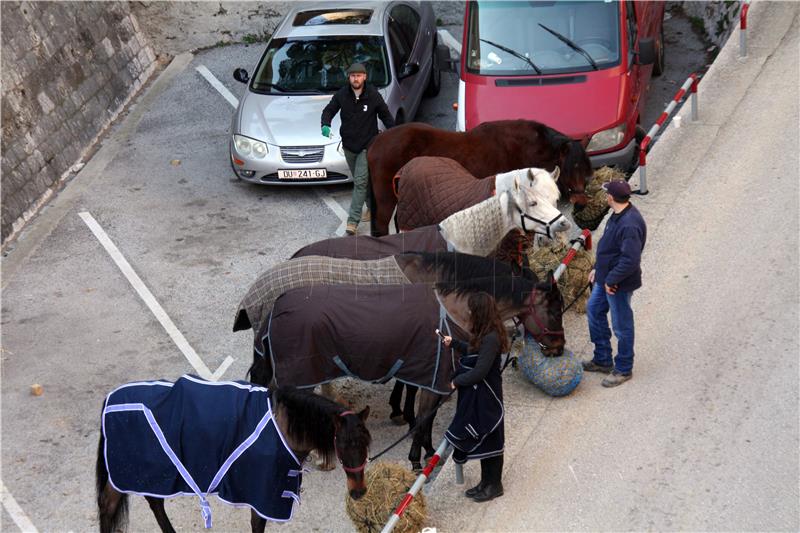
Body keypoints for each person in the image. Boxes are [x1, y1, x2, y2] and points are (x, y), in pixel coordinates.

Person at [441, 292, 509, 502]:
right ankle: (485, 482)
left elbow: (480, 370)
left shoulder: (491, 338)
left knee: (491, 437)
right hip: (482, 395)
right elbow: (472, 350)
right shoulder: (486, 333)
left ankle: (494, 485)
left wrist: (457, 381)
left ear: (480, 312)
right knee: (485, 438)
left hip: (488, 396)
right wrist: (453, 343)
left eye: (472, 310)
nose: (468, 313)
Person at [582, 180, 647, 387]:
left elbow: (630, 260)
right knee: (593, 310)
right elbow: (609, 248)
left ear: (611, 197)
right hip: (606, 278)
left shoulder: (629, 224)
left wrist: (611, 280)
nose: (605, 195)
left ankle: (623, 368)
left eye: (606, 193)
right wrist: (597, 269)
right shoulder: (618, 214)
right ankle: (602, 358)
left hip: (618, 283)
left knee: (622, 325)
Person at [320, 63, 395, 235]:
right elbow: (328, 111)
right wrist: (325, 124)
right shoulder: (342, 94)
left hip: (367, 146)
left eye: (359, 75)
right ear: (349, 78)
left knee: (360, 182)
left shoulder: (373, 96)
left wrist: (396, 134)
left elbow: (386, 116)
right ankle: (371, 206)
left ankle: (352, 221)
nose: (356, 78)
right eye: (353, 76)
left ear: (365, 77)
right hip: (348, 146)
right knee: (363, 181)